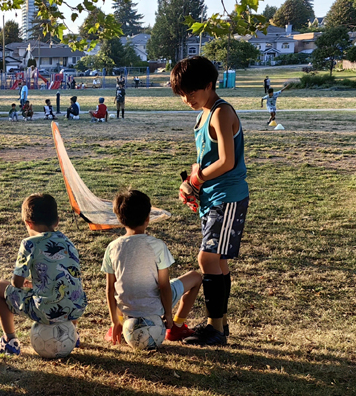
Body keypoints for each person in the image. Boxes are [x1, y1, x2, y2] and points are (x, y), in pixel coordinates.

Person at [171, 56, 249, 347]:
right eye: (182, 94)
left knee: (207, 258)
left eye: (191, 92)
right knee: (219, 260)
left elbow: (227, 161)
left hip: (227, 196)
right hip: (212, 197)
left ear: (209, 84)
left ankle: (214, 328)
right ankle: (220, 323)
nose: (186, 99)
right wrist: (191, 182)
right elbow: (207, 159)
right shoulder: (203, 114)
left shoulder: (221, 112)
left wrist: (197, 179)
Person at [0, 193, 87, 355]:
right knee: (69, 292)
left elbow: (16, 284)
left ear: (28, 223)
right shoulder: (68, 242)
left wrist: (24, 285)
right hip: (76, 307)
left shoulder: (29, 244)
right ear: (57, 221)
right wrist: (35, 284)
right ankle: (73, 334)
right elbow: (66, 277)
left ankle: (9, 341)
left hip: (44, 311)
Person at [102, 188, 202, 345]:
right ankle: (177, 326)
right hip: (154, 308)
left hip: (126, 307)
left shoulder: (112, 247)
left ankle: (119, 325)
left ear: (120, 219)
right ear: (148, 218)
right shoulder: (157, 246)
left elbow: (110, 289)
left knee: (124, 287)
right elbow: (164, 286)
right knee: (196, 277)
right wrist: (168, 315)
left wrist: (115, 321)